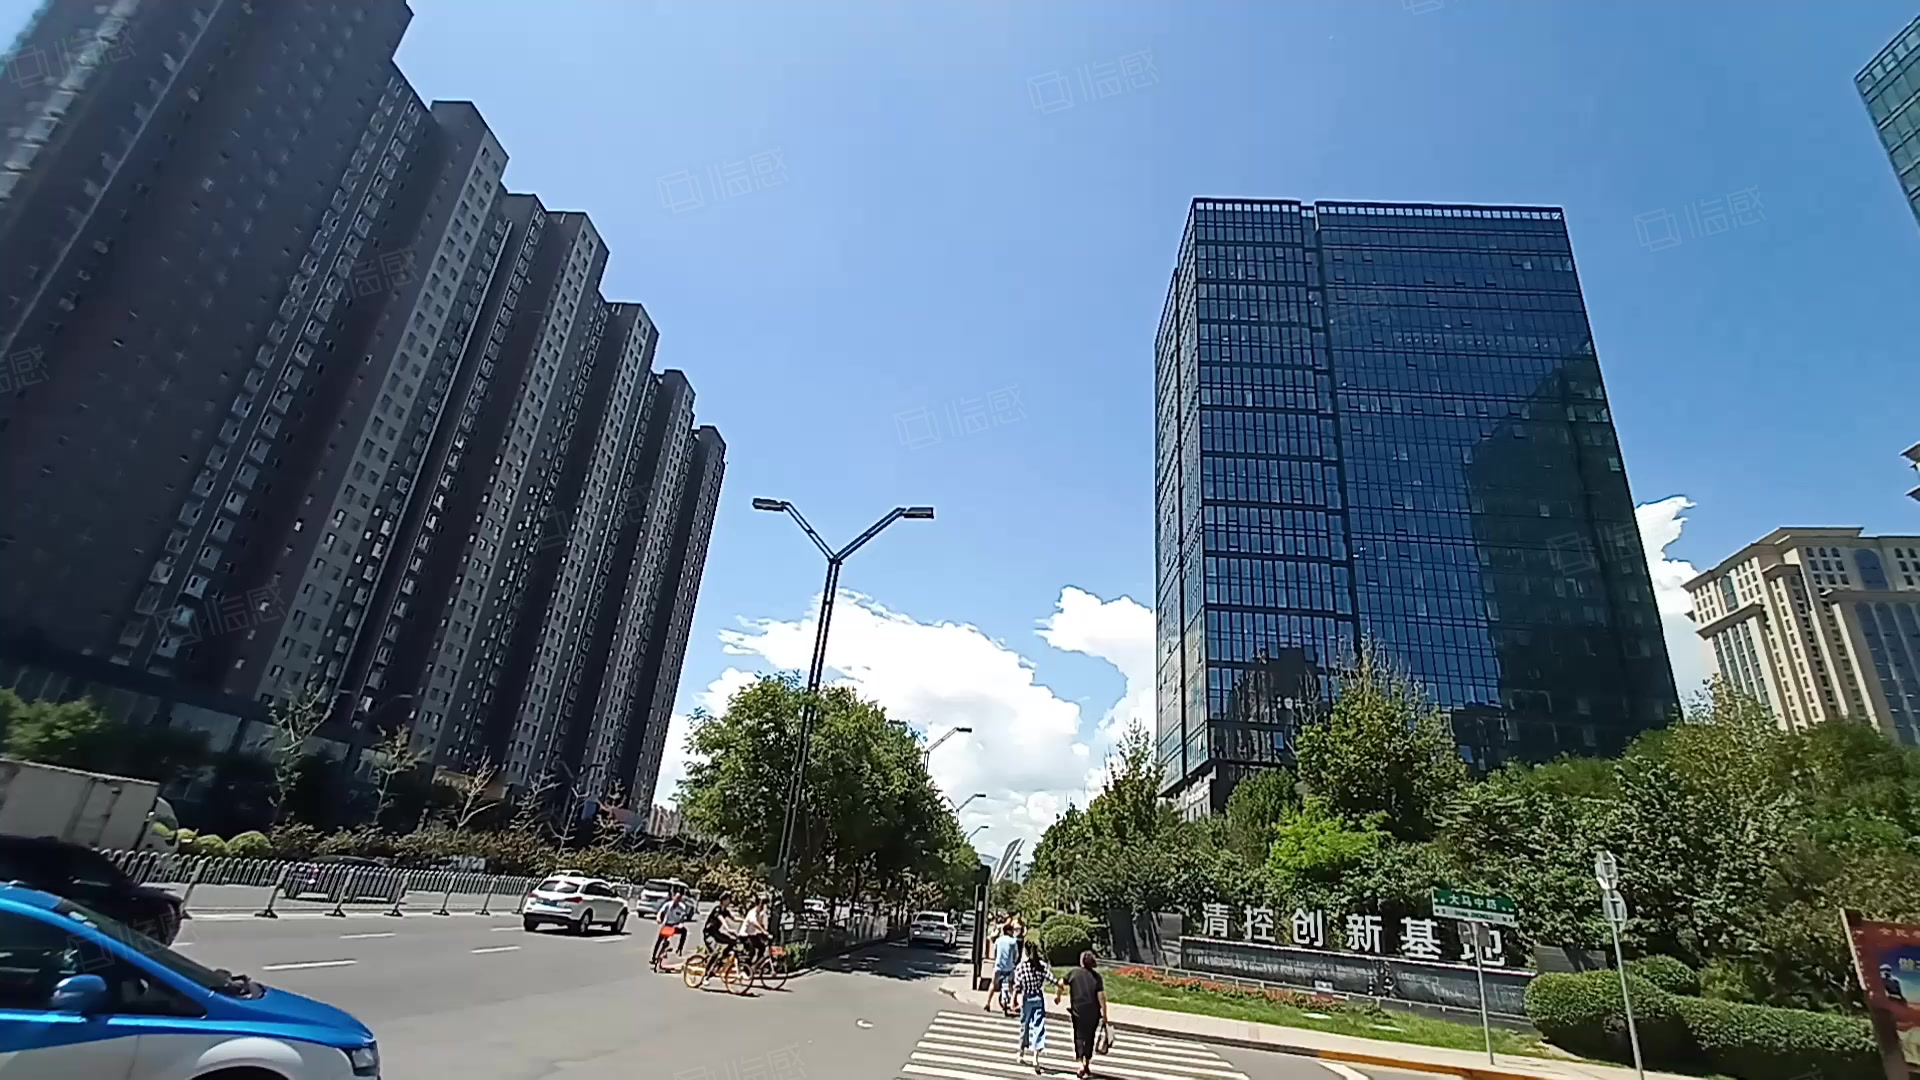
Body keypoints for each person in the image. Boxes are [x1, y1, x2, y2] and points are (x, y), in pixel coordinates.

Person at [1056, 949, 1109, 1079]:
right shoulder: (1097, 977)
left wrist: (1058, 996)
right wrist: (1105, 1014)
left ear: (1081, 962)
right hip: (1093, 1013)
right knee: (1090, 1037)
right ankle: (1087, 1063)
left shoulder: (1074, 973)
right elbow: (1101, 997)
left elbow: (1060, 983)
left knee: (1079, 1036)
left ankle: (1080, 1063)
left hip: (1078, 1011)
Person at [1011, 939, 1061, 1073]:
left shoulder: (1021, 967)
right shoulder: (1042, 966)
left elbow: (1017, 986)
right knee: (1038, 1026)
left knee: (1025, 1025)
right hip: (1038, 997)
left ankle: (1021, 1052)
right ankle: (1036, 1057)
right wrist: (1058, 993)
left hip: (1027, 998)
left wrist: (1013, 1000)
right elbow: (1053, 980)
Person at [652, 888, 696, 970]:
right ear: (673, 897)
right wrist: (658, 919)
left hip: (675, 925)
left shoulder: (682, 907)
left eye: (679, 898)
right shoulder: (667, 905)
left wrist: (680, 924)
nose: (677, 900)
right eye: (676, 898)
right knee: (659, 940)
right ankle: (654, 956)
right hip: (666, 925)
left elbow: (682, 918)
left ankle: (679, 949)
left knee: (684, 931)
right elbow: (660, 912)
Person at [988, 920, 1021, 1016]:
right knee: (1012, 986)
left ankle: (988, 1003)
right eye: (1012, 930)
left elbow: (995, 952)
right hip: (1009, 967)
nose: (1013, 932)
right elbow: (1016, 954)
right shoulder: (1013, 941)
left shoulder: (998, 940)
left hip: (998, 966)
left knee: (993, 984)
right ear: (1008, 931)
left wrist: (996, 960)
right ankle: (1013, 1004)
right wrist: (1014, 962)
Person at [702, 894, 739, 965]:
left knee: (733, 941)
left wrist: (745, 920)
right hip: (709, 934)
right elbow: (721, 918)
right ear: (723, 900)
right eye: (728, 899)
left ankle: (722, 958)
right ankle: (708, 970)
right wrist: (728, 929)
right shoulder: (717, 910)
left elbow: (734, 919)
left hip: (716, 933)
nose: (729, 901)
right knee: (714, 952)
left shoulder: (725, 911)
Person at [739, 897, 772, 967]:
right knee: (751, 950)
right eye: (765, 905)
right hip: (744, 935)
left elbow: (762, 925)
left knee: (762, 947)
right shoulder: (752, 912)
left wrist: (766, 932)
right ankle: (746, 967)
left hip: (752, 935)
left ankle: (755, 966)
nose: (766, 907)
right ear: (760, 904)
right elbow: (754, 922)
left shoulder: (761, 914)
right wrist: (763, 931)